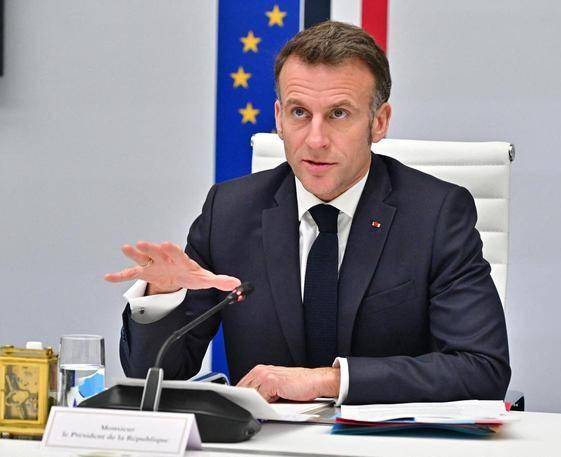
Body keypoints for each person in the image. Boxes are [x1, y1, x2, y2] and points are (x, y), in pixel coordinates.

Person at [106, 21, 510, 405]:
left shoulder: (435, 215)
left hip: (390, 441)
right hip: (265, 441)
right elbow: (156, 376)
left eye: (338, 114)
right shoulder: (229, 213)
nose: (316, 140)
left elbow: (482, 368)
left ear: (379, 122)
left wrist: (329, 381)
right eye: (299, 112)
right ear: (279, 118)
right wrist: (160, 298)